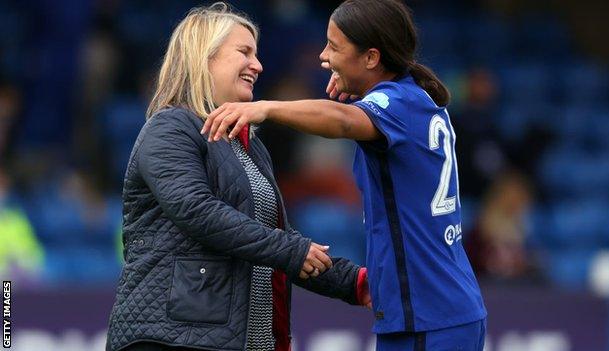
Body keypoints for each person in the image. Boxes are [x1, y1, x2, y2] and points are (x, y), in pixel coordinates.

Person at [202, 0, 487, 350]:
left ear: (370, 58)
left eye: (334, 47)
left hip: (427, 314)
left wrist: (266, 107)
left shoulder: (396, 103)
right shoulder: (412, 98)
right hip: (441, 307)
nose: (324, 56)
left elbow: (340, 120)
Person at [105, 4, 370, 351]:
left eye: (256, 54)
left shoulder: (249, 145)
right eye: (244, 52)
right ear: (204, 57)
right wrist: (290, 249)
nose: (258, 65)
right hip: (173, 338)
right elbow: (197, 210)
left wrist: (356, 283)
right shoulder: (170, 127)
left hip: (235, 339)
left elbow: (278, 239)